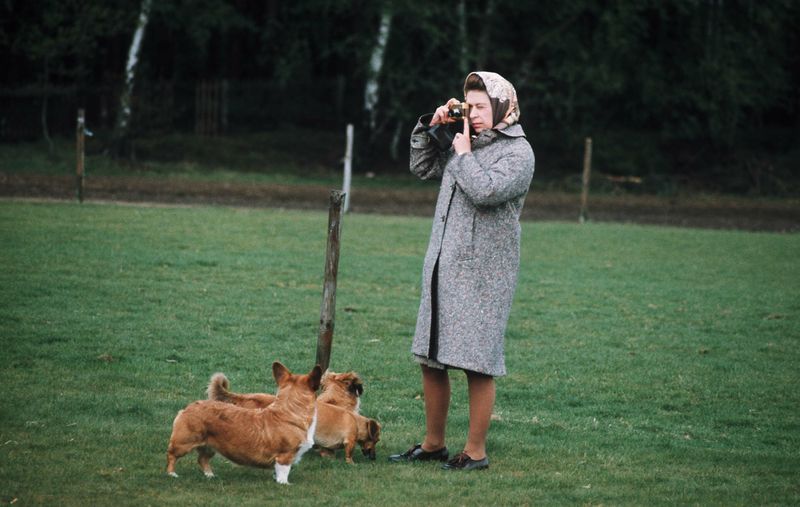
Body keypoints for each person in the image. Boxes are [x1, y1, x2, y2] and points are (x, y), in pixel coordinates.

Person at [388, 71, 535, 471]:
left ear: (504, 107)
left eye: (483, 107)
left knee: (476, 361)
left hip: (485, 273)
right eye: (470, 107)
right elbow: (421, 168)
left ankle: (475, 452)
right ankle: (433, 444)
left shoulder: (518, 153)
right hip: (443, 264)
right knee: (432, 357)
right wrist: (430, 128)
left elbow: (486, 192)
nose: (475, 115)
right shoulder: (461, 140)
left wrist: (465, 152)